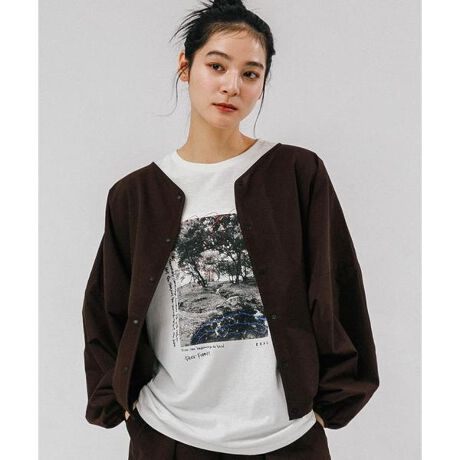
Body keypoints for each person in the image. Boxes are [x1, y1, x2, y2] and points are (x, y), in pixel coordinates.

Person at [81, 1, 379, 459]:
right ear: (186, 67)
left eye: (250, 73)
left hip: (286, 438)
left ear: (262, 84)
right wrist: (120, 402)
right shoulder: (136, 195)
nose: (231, 85)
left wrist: (333, 402)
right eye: (217, 65)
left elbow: (337, 285)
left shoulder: (297, 173)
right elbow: (107, 308)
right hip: (170, 437)